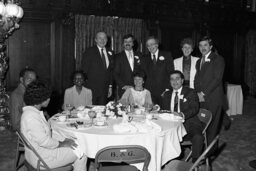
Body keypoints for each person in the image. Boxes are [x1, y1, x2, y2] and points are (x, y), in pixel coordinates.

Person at [20, 81, 87, 170]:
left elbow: (42, 136)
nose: (49, 99)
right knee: (82, 152)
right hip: (43, 158)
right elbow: (44, 142)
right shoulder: (31, 117)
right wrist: (62, 143)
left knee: (74, 144)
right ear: (39, 99)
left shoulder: (30, 112)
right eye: (47, 97)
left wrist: (64, 140)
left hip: (36, 154)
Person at [161, 70, 204, 162]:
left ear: (182, 80)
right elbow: (164, 111)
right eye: (172, 79)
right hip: (171, 126)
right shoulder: (167, 94)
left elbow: (194, 108)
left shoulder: (190, 92)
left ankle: (196, 163)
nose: (174, 81)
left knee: (198, 137)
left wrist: (181, 114)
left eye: (177, 79)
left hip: (189, 123)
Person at [194, 36, 225, 155]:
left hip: (213, 98)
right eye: (201, 45)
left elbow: (217, 79)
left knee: (212, 127)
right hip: (201, 98)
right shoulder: (198, 61)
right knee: (202, 124)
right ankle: (202, 149)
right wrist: (197, 92)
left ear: (211, 46)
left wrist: (203, 93)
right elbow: (197, 78)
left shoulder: (218, 59)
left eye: (205, 45)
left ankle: (210, 154)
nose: (203, 48)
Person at [81, 31, 114, 105]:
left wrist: (110, 86)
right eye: (100, 38)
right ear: (95, 40)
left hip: (104, 90)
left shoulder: (110, 52)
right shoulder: (89, 52)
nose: (102, 40)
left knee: (102, 112)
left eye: (104, 38)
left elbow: (111, 71)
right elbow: (84, 71)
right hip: (91, 89)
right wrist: (85, 89)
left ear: (107, 40)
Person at [142, 36, 174, 105]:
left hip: (164, 92)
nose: (150, 47)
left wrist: (167, 89)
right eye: (148, 45)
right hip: (149, 93)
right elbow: (143, 76)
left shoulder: (167, 55)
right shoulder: (144, 58)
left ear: (157, 44)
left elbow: (171, 73)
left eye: (152, 44)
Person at [114, 34, 143, 98]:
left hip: (138, 88)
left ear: (133, 43)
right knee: (124, 107)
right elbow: (115, 73)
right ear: (123, 44)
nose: (127, 43)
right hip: (124, 89)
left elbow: (143, 71)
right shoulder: (117, 57)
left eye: (129, 41)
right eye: (125, 42)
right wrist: (123, 85)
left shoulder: (140, 55)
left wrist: (139, 84)